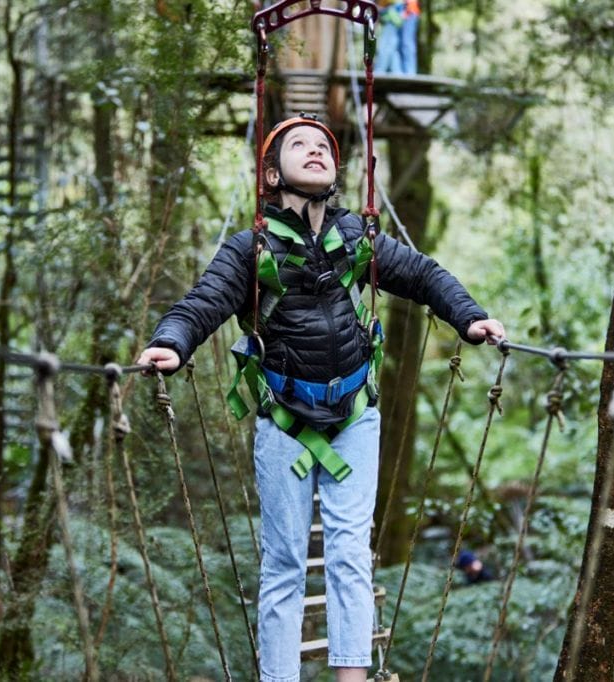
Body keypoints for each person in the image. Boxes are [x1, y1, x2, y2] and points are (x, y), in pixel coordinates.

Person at [138, 114, 505, 682]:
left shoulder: (357, 236)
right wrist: (172, 342)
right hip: (285, 421)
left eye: (324, 146)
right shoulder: (248, 249)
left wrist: (470, 318)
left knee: (350, 556)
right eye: (299, 145)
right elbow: (204, 302)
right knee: (285, 563)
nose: (315, 151)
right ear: (270, 173)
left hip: (355, 415)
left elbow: (425, 275)